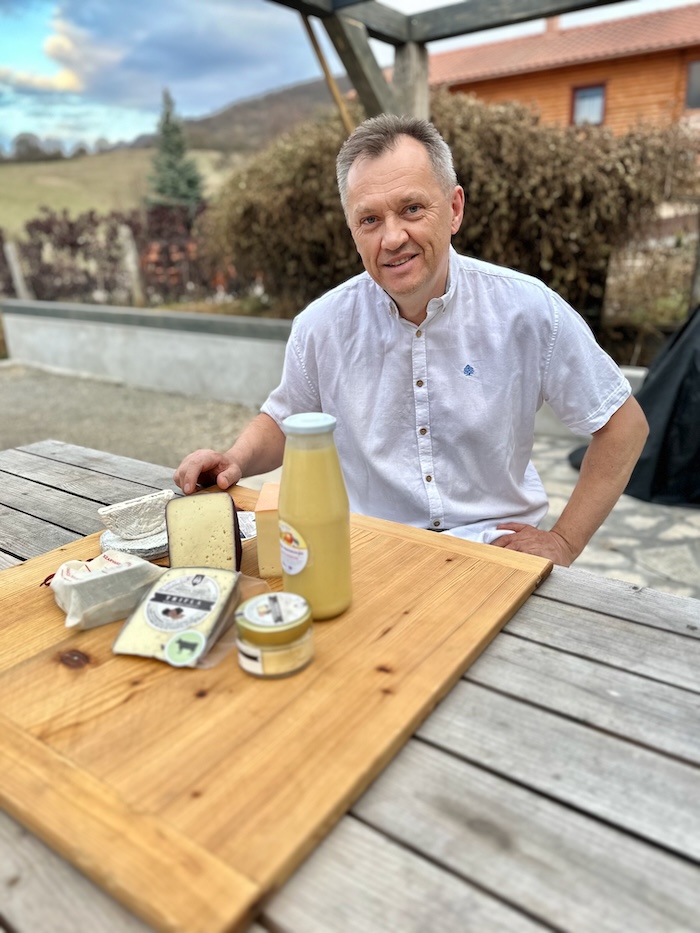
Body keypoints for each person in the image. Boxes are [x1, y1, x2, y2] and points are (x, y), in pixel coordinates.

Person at [174, 114, 649, 566]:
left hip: (497, 554)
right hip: (371, 552)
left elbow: (623, 426)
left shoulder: (528, 310)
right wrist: (233, 460)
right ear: (352, 231)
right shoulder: (321, 325)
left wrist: (563, 541)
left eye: (412, 209)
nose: (392, 238)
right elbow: (286, 421)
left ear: (454, 209)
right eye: (369, 220)